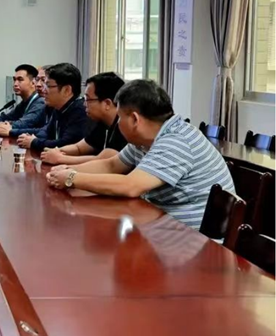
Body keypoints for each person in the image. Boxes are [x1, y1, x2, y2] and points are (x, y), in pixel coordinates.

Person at [46, 79, 235, 230]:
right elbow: (111, 165)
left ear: (135, 119)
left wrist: (72, 178)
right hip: (162, 224)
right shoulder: (146, 140)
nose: (117, 123)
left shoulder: (176, 141)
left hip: (193, 241)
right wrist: (66, 169)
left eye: (120, 117)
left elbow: (131, 186)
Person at [41, 72, 127, 165]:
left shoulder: (123, 125)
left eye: (88, 99)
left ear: (107, 103)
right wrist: (56, 151)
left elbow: (104, 161)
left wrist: (60, 158)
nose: (84, 104)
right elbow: (79, 148)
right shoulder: (103, 123)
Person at [16, 63, 88, 150]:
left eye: (48, 86)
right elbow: (46, 132)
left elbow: (65, 144)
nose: (43, 90)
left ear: (67, 90)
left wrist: (34, 142)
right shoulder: (58, 107)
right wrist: (32, 139)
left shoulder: (81, 111)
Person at [0, 64, 46, 137]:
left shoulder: (40, 102)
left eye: (20, 80)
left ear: (33, 83)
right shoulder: (24, 102)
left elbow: (22, 124)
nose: (15, 84)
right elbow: (7, 117)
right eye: (14, 80)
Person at [0, 65, 55, 139]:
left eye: (44, 80)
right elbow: (44, 131)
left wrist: (10, 130)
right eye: (37, 79)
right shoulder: (26, 102)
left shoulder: (41, 102)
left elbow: (25, 124)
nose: (38, 84)